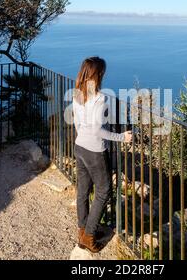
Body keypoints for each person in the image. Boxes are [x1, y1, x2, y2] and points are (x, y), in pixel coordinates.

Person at [73, 57, 132, 253]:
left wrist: (83, 137)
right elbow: (98, 130)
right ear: (98, 74)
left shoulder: (77, 93)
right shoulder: (100, 97)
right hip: (94, 150)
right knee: (103, 190)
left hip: (79, 145)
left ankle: (82, 230)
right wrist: (122, 137)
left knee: (83, 190)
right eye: (103, 72)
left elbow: (77, 123)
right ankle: (89, 237)